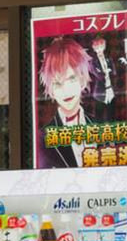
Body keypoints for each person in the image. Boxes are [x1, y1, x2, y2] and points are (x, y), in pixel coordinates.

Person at [37, 37, 96, 168]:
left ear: (82, 80)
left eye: (71, 79)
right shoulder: (42, 138)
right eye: (57, 84)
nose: (66, 90)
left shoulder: (99, 125)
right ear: (51, 89)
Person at [89, 35, 116, 121]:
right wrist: (106, 72)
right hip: (99, 92)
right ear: (94, 48)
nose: (99, 50)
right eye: (97, 48)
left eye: (101, 47)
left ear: (104, 47)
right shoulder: (93, 61)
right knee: (99, 116)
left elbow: (114, 72)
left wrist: (109, 72)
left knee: (111, 114)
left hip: (110, 90)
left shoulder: (109, 59)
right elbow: (98, 74)